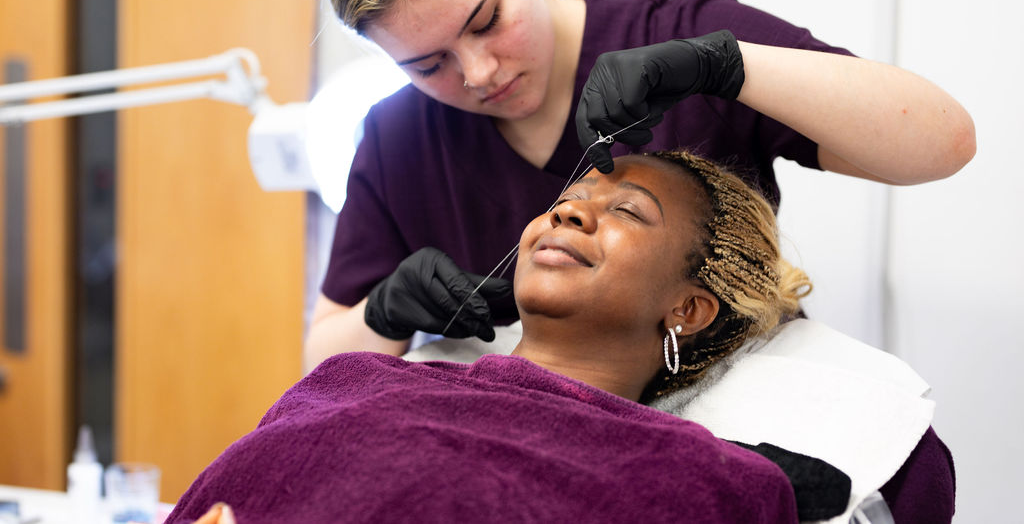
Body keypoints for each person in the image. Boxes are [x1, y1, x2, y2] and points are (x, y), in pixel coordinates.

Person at [305, 0, 976, 371]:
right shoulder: (398, 139)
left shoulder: (679, 37)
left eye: (487, 20)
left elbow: (943, 142)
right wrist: (383, 315)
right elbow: (322, 358)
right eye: (426, 64)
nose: (478, 73)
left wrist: (728, 66)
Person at [169, 152, 952, 523]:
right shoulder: (362, 378)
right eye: (571, 199)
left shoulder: (692, 470)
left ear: (689, 307)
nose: (570, 212)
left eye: (629, 212)